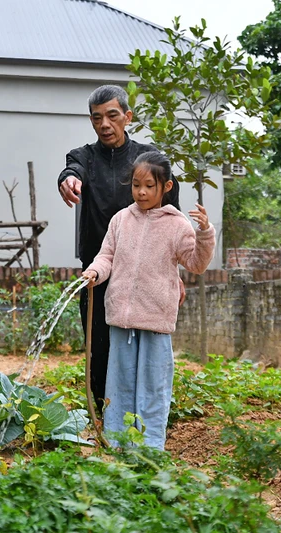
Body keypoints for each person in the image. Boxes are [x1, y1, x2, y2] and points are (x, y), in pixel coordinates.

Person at [57, 85, 182, 410]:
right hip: (98, 270)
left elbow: (172, 216)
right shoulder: (83, 156)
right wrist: (68, 179)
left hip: (146, 272)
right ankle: (104, 412)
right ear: (91, 121)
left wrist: (176, 272)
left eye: (112, 116)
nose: (105, 124)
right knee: (99, 345)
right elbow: (73, 169)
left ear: (127, 116)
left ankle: (145, 413)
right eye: (97, 118)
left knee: (144, 345)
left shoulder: (147, 159)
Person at [81, 151, 215, 450]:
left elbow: (196, 263)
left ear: (165, 187)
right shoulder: (120, 220)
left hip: (155, 320)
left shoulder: (177, 225)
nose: (141, 192)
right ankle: (117, 442)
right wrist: (94, 272)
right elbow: (107, 256)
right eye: (136, 185)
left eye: (149, 186)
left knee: (153, 388)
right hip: (121, 319)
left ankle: (150, 447)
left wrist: (204, 233)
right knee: (120, 384)